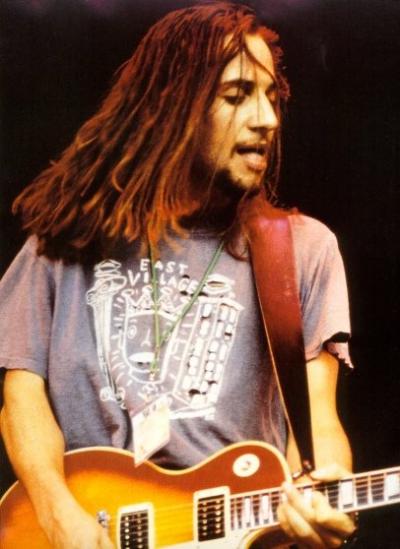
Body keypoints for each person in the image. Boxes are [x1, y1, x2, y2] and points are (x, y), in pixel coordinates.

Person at [0, 2, 357, 547]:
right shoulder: (64, 241)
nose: (267, 118)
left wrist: (321, 494)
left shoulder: (303, 251)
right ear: (173, 106)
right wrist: (57, 514)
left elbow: (318, 422)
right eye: (237, 95)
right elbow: (20, 398)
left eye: (270, 96)